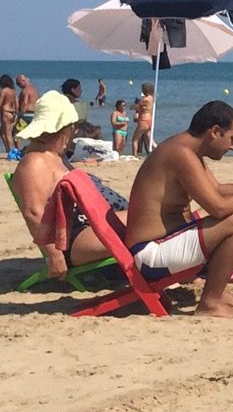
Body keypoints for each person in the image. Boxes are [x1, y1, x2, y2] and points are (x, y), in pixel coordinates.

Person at [125, 100, 233, 318]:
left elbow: (218, 190)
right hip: (149, 255)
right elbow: (218, 207)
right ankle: (210, 303)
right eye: (232, 139)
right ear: (214, 131)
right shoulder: (180, 154)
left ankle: (217, 293)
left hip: (159, 245)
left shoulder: (186, 150)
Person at [11, 92, 120, 279]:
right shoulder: (35, 162)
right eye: (73, 128)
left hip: (91, 229)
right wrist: (54, 254)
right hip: (75, 239)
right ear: (64, 129)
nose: (74, 132)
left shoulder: (54, 157)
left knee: (150, 217)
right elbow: (33, 212)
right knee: (146, 219)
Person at [132, 83, 155, 156]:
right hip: (149, 120)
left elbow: (135, 106)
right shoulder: (151, 98)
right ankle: (159, 151)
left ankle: (134, 155)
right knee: (150, 140)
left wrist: (135, 106)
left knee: (135, 140)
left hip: (143, 120)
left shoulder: (145, 99)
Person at [0, 74, 17, 154]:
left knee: (7, 133)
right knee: (3, 132)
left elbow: (0, 101)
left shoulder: (4, 90)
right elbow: (16, 103)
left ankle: (12, 151)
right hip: (12, 112)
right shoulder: (13, 91)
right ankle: (8, 150)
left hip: (5, 112)